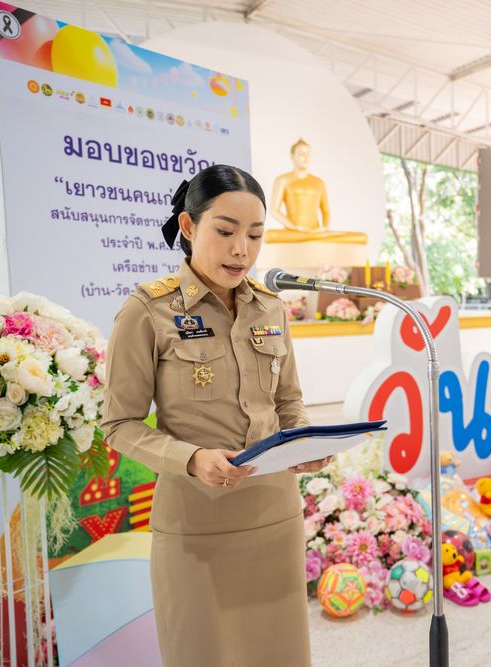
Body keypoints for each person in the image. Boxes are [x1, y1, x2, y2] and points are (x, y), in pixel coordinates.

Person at [101, 164, 331, 666]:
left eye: (254, 235)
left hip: (275, 517)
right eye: (225, 231)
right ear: (188, 227)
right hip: (196, 527)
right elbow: (118, 424)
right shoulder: (146, 312)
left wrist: (308, 441)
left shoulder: (270, 308)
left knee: (279, 654)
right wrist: (192, 458)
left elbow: (287, 400)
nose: (241, 250)